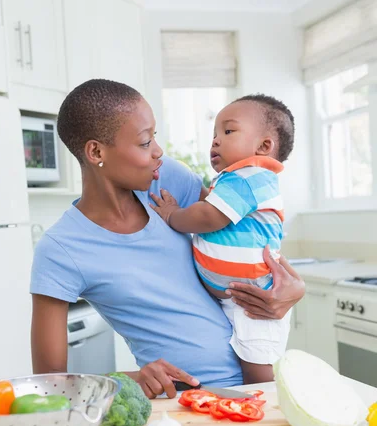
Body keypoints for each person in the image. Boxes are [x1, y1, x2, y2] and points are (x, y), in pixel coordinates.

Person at [30, 79, 305, 398]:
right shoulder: (61, 249)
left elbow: (245, 233)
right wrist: (133, 378)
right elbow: (49, 380)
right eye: (145, 142)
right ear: (96, 152)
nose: (158, 151)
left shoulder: (166, 178)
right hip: (184, 401)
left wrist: (295, 287)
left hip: (255, 376)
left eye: (154, 137)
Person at [150, 95, 294, 384]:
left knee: (258, 370)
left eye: (228, 132)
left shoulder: (249, 178)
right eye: (214, 134)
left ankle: (267, 417)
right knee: (249, 360)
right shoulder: (234, 181)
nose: (215, 141)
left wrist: (172, 215)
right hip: (239, 300)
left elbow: (209, 217)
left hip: (255, 302)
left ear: (264, 146)